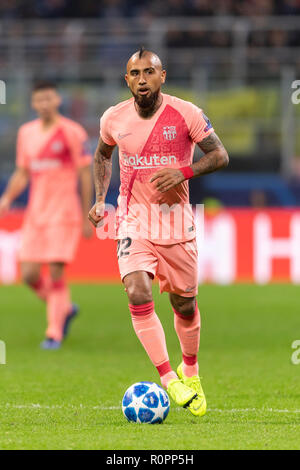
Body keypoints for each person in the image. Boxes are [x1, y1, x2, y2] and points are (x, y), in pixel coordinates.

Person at [88, 48, 229, 416]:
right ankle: (170, 380)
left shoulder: (186, 113)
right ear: (127, 80)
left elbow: (220, 156)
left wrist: (184, 172)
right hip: (134, 220)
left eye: (149, 72)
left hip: (176, 223)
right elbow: (103, 155)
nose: (142, 79)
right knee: (136, 291)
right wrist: (100, 199)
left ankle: (191, 371)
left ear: (162, 76)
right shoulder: (113, 118)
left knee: (184, 304)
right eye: (134, 73)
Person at [0, 81, 93, 349]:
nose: (44, 104)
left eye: (48, 98)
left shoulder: (71, 132)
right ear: (33, 103)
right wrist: (7, 197)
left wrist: (89, 212)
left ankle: (54, 333)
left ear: (57, 100)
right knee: (28, 274)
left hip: (63, 212)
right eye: (39, 100)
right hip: (36, 213)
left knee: (55, 272)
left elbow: (84, 174)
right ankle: (64, 308)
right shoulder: (26, 133)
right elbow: (22, 172)